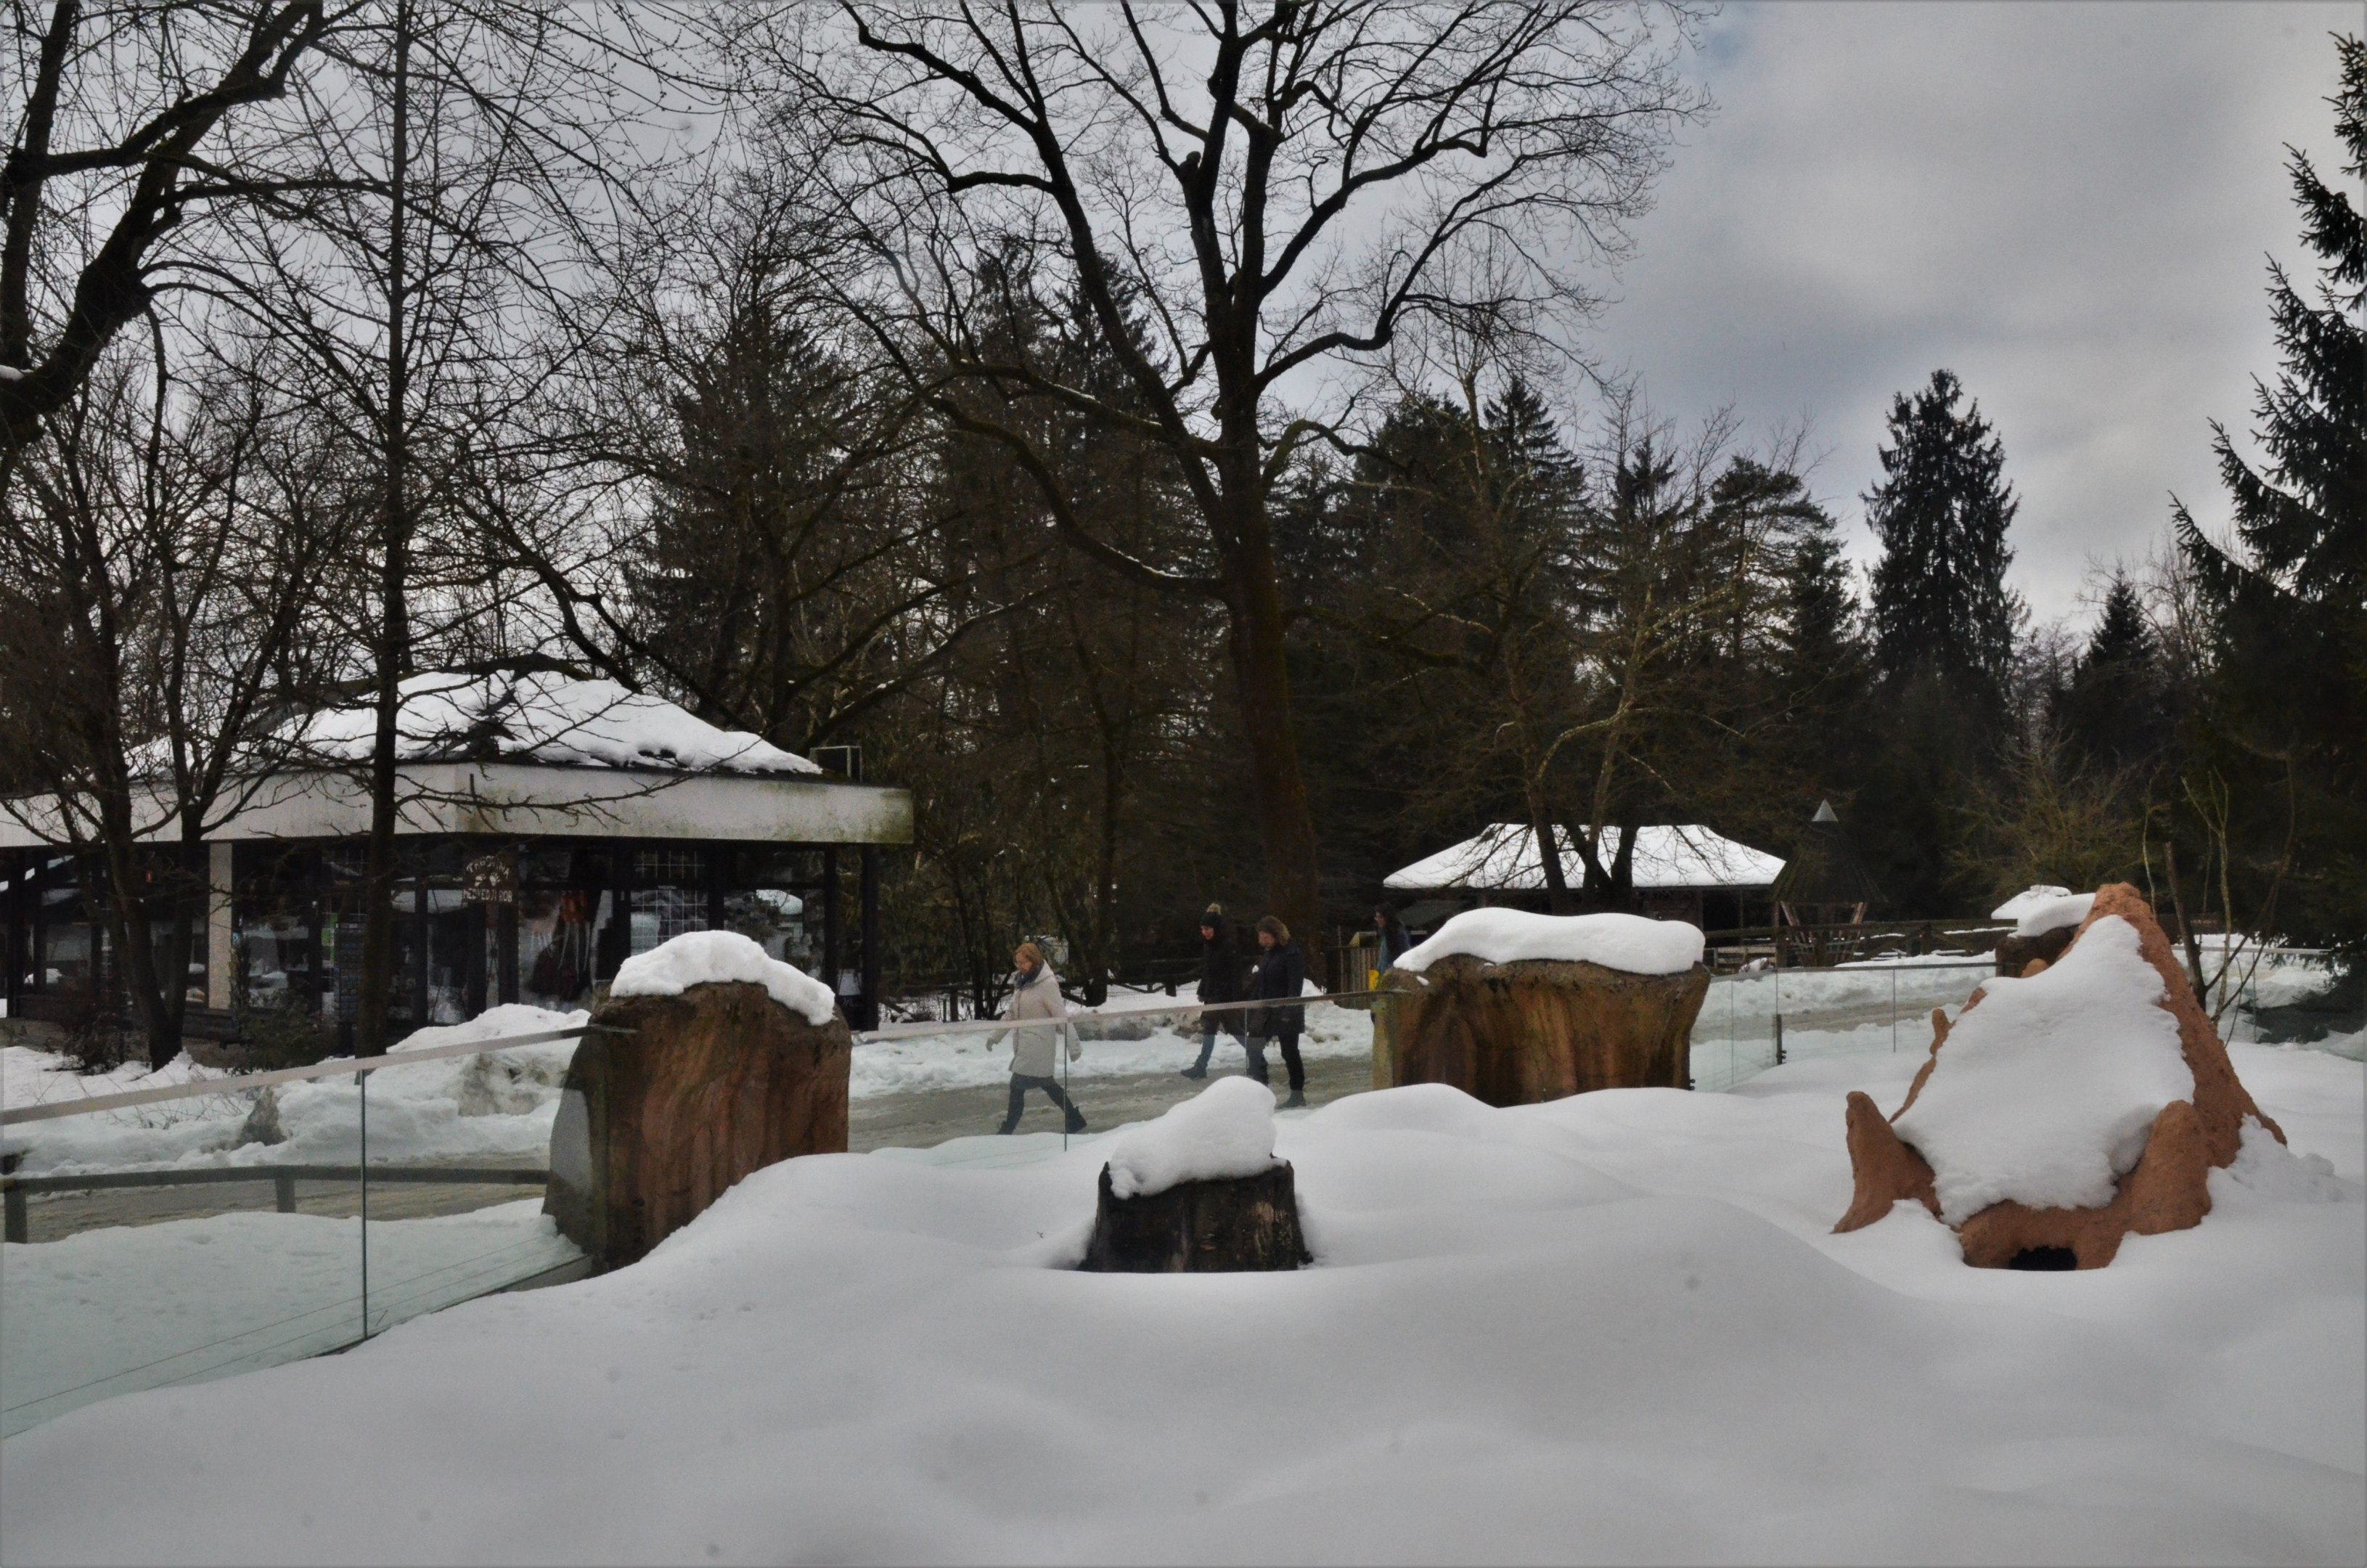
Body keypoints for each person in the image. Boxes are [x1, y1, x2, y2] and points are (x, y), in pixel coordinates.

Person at [992, 942, 1086, 1135]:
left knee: (1017, 1085)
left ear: (1034, 961)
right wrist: (996, 1035)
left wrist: (1074, 1045)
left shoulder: (1047, 984)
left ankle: (1007, 1129)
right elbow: (1011, 1014)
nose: (1019, 966)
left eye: (1023, 962)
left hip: (1039, 1046)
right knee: (1048, 1084)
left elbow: (1061, 1015)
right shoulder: (1023, 983)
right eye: (1017, 963)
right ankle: (1075, 1119)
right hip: (1027, 1044)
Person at [1245, 915, 1308, 1108]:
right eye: (1260, 937)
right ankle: (1260, 1089)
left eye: (1265, 937)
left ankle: (1297, 1094)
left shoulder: (1292, 954)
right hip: (1266, 1010)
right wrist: (1254, 1002)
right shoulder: (1269, 953)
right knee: (1254, 1046)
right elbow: (1262, 981)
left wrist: (1288, 1011)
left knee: (1289, 1052)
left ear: (1276, 934)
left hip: (1286, 1010)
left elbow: (1294, 986)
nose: (1261, 941)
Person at [1182, 905, 1248, 1079]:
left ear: (1215, 928)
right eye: (1203, 929)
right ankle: (1256, 1055)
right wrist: (1203, 990)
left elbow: (1236, 973)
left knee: (1210, 1028)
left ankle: (1201, 1066)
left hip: (1223, 996)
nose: (1205, 932)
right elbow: (1208, 971)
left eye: (1208, 929)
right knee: (1233, 1028)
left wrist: (1236, 999)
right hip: (1214, 995)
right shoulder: (1210, 946)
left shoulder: (1228, 945)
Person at [1373, 905, 1412, 974]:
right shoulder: (1385, 933)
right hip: (1383, 976)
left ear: (1388, 918)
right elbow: (1383, 958)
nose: (1378, 920)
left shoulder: (1399, 933)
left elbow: (1406, 954)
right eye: (1377, 917)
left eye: (1380, 917)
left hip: (1394, 977)